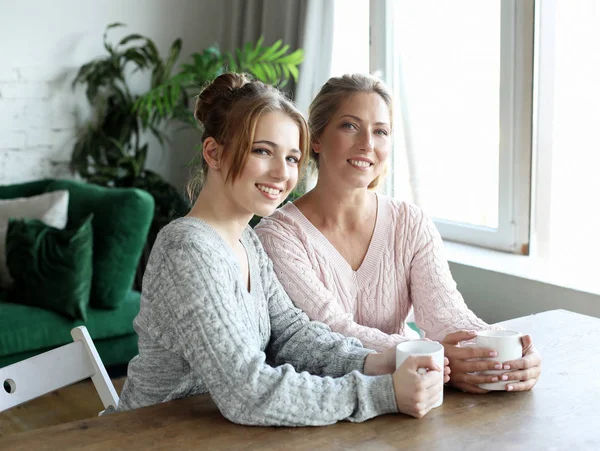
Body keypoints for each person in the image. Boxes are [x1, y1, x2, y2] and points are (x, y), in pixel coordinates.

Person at [117, 73, 451, 425]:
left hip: (216, 434)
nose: (281, 173)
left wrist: (377, 360)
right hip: (151, 435)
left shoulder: (247, 240)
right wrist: (382, 393)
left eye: (292, 158)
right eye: (263, 151)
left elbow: (292, 334)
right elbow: (247, 391)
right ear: (214, 153)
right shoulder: (188, 248)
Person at [255, 73, 542, 394]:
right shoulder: (277, 236)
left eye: (381, 131)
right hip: (329, 398)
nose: (367, 143)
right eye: (350, 126)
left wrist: (509, 350)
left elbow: (445, 315)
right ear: (316, 139)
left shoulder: (411, 222)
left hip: (417, 388)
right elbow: (331, 329)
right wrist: (427, 353)